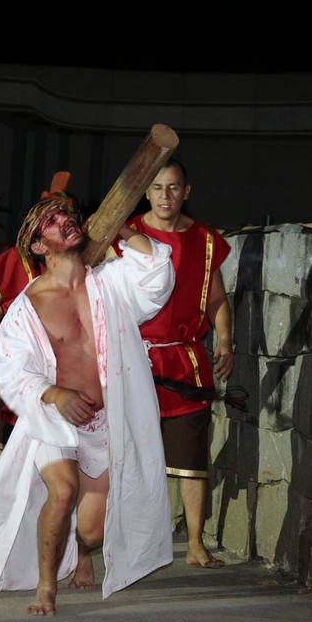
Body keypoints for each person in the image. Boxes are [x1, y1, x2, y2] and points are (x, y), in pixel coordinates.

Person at [0, 193, 176, 616]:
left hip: (107, 420)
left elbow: (157, 270)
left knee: (92, 530)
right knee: (63, 489)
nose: (65, 221)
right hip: (56, 420)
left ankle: (82, 552)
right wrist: (55, 394)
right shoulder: (28, 306)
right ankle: (46, 588)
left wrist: (120, 226)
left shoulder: (109, 282)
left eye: (66, 215)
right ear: (37, 245)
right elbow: (13, 368)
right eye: (51, 222)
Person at [109, 157, 234, 569]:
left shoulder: (206, 239)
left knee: (191, 455)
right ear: (146, 191)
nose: (166, 195)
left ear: (187, 191)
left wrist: (226, 340)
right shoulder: (123, 234)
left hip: (185, 360)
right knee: (118, 454)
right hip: (132, 357)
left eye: (174, 187)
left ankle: (196, 544)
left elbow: (216, 297)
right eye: (158, 187)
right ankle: (113, 543)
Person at [0, 174, 69, 464]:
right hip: (23, 360)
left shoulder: (74, 259)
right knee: (16, 443)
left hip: (61, 362)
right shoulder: (18, 258)